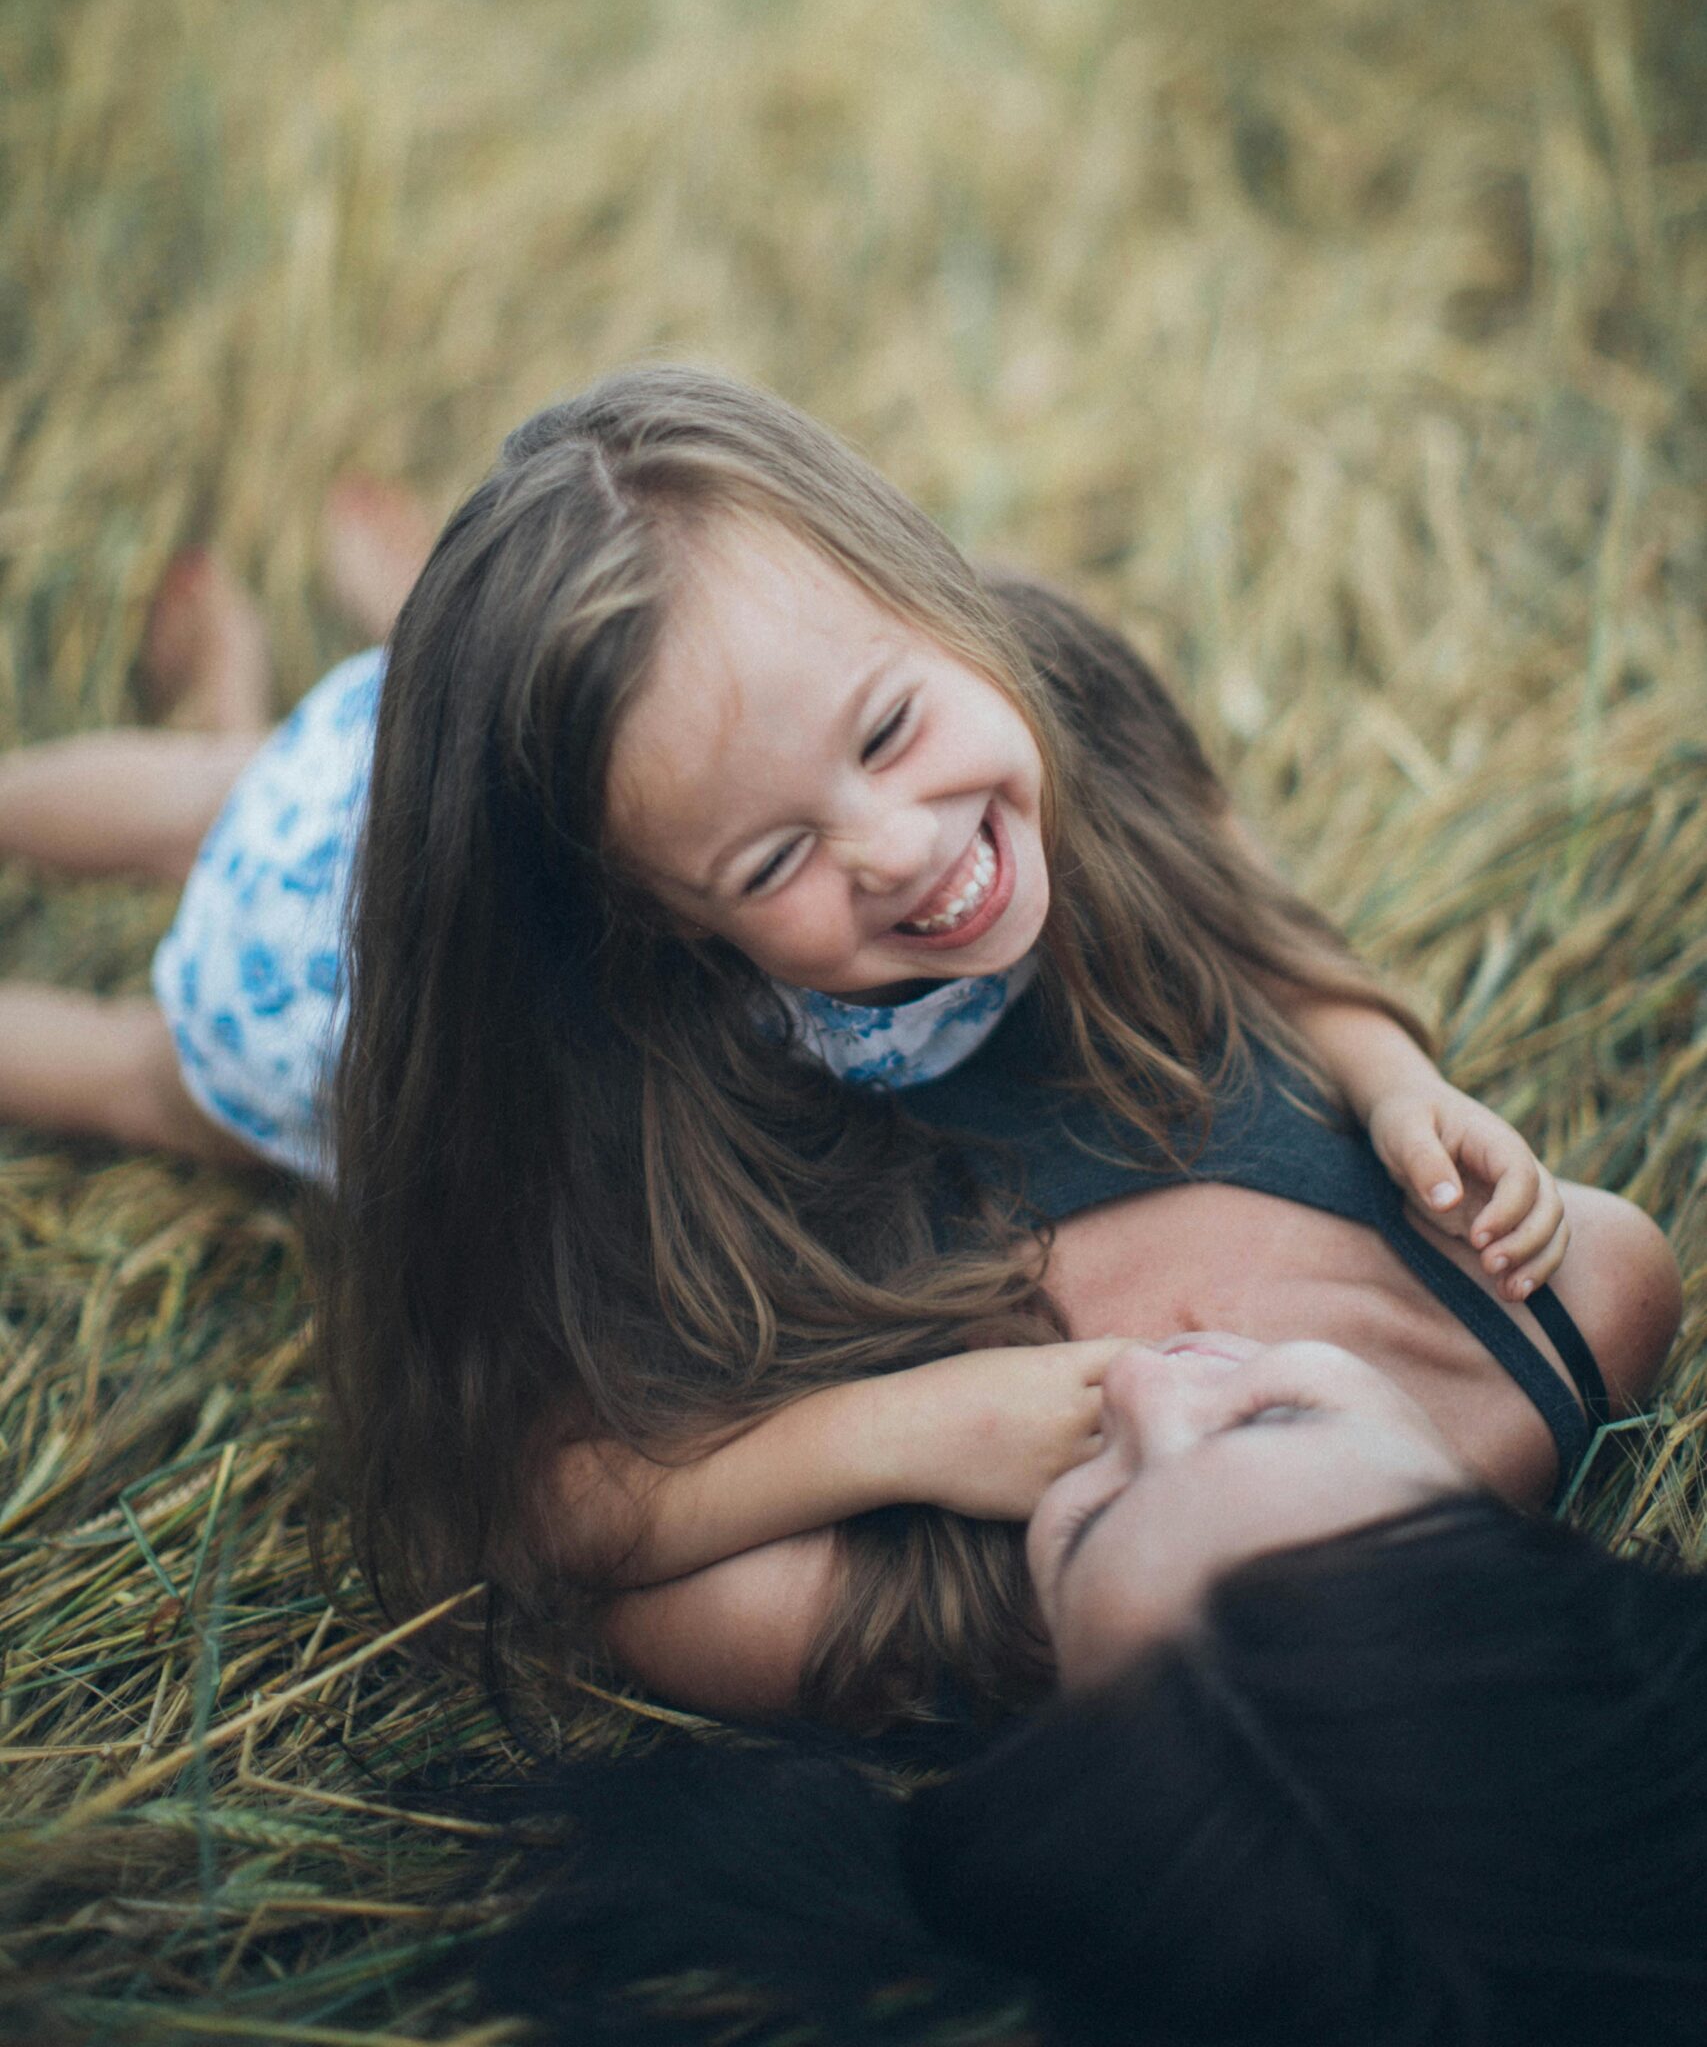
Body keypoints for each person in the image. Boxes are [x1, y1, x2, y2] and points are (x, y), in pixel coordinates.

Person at [0, 370, 1680, 1723]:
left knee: (161, 1072)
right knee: (246, 802)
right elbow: (1254, 928)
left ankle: (345, 690)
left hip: (334, 995)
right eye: (778, 854)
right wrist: (1398, 1080)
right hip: (397, 852)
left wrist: (924, 1428)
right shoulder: (1556, 1311)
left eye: (1110, 1493)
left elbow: (546, 1501)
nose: (889, 849)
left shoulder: (925, 1597)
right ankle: (343, 685)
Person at [479, 1339, 1707, 2047]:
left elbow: (558, 1514)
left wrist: (899, 1428)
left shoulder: (863, 1631)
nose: (1138, 1386)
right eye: (1280, 1416)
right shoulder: (1544, 1332)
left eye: (1092, 1526)